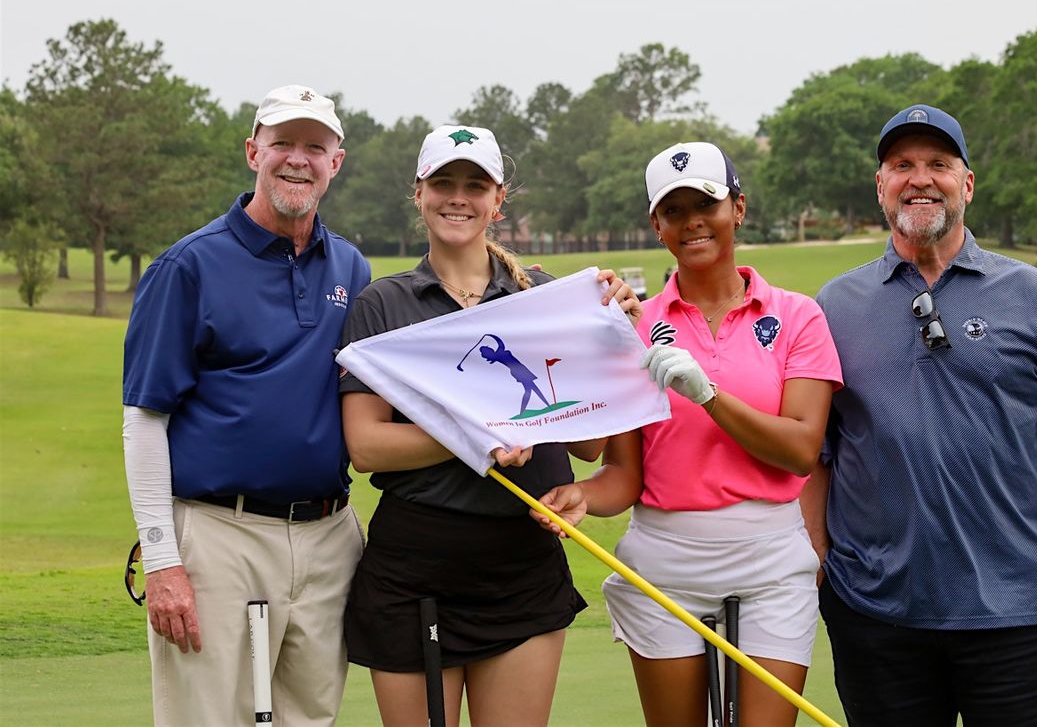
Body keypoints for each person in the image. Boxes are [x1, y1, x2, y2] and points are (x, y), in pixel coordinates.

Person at [803, 104, 1037, 727]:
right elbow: (817, 453)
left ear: (966, 183)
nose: (920, 178)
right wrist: (817, 571)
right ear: (881, 185)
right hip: (876, 614)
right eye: (902, 165)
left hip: (1016, 609)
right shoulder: (833, 306)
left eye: (939, 164)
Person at [338, 125, 641, 727]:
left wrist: (612, 338)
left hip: (520, 565)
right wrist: (476, 437)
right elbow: (366, 445)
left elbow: (588, 442)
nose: (458, 197)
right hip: (415, 567)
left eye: (475, 185)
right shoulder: (383, 304)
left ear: (497, 200)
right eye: (443, 183)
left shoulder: (545, 296)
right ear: (418, 193)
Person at [536, 142, 843, 727]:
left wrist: (707, 396)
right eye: (673, 211)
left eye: (706, 203)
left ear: (738, 208)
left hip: (772, 556)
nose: (692, 221)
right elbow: (624, 475)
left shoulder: (798, 316)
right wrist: (584, 497)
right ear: (658, 226)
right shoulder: (634, 326)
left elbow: (802, 449)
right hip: (666, 557)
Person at [121, 85, 372, 726]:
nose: (297, 159)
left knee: (309, 719)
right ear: (252, 150)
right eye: (283, 142)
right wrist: (161, 559)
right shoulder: (189, 266)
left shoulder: (351, 267)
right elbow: (146, 418)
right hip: (217, 537)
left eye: (315, 147)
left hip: (328, 536)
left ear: (336, 163)